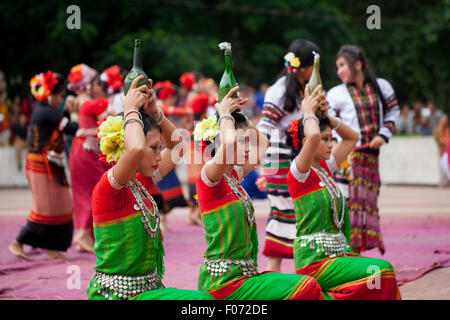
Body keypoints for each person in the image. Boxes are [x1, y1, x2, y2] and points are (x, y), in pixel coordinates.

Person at [86, 75, 212, 300]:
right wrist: (131, 109)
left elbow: (178, 147)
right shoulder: (109, 187)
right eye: (153, 147)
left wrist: (155, 113)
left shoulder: (140, 183)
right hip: (116, 295)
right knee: (200, 301)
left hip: (148, 292)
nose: (158, 154)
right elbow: (134, 151)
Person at [195, 86, 323, 300]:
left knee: (306, 287)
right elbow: (228, 142)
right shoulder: (210, 178)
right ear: (217, 142)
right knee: (304, 287)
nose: (247, 147)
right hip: (222, 283)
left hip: (244, 278)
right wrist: (224, 114)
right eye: (242, 142)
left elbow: (263, 143)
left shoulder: (233, 176)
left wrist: (241, 118)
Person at [286, 83, 401, 299]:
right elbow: (311, 137)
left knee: (374, 282)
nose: (331, 144)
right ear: (305, 143)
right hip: (315, 262)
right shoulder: (299, 172)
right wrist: (308, 112)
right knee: (380, 272)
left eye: (331, 138)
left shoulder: (326, 168)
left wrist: (329, 117)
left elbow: (352, 138)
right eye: (325, 139)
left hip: (337, 256)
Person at [326, 45, 400, 254]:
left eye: (342, 65)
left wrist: (383, 134)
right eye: (337, 67)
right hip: (349, 158)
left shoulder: (381, 87)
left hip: (371, 158)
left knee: (368, 205)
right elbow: (329, 123)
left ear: (357, 64)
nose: (339, 71)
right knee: (349, 205)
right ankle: (349, 254)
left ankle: (356, 254)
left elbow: (393, 110)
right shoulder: (336, 94)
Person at [256, 39, 320, 272]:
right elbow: (265, 129)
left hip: (302, 157)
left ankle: (304, 277)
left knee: (301, 214)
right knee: (283, 214)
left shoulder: (309, 89)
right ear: (303, 67)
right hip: (281, 158)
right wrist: (266, 169)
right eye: (314, 64)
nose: (316, 69)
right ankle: (282, 281)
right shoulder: (280, 89)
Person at [8, 71, 79, 260]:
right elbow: (71, 127)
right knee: (45, 210)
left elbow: (61, 121)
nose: (62, 99)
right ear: (50, 95)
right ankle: (17, 243)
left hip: (49, 165)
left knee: (62, 208)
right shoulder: (45, 112)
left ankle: (53, 250)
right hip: (41, 167)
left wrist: (68, 112)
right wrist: (78, 113)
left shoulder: (47, 111)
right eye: (60, 95)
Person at [68, 65, 113, 253]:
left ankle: (84, 234)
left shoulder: (78, 103)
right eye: (97, 83)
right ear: (87, 86)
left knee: (83, 194)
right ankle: (83, 235)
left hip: (78, 152)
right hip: (87, 154)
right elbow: (110, 126)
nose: (100, 87)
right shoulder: (95, 103)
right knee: (96, 192)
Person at [433, 113, 450, 180]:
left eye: (446, 119)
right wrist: (446, 141)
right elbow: (440, 140)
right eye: (443, 119)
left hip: (448, 151)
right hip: (443, 152)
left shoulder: (448, 129)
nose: (445, 120)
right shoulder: (437, 130)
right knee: (445, 166)